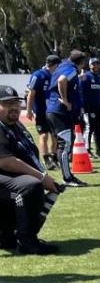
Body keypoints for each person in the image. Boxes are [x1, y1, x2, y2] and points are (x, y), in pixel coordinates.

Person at [0, 85, 61, 255]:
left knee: (34, 187)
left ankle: (7, 236)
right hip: (5, 177)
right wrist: (41, 177)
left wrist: (44, 176)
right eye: (6, 104)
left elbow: (28, 153)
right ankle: (26, 240)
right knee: (29, 187)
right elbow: (6, 162)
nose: (13, 107)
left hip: (7, 181)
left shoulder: (16, 125)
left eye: (15, 103)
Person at [45, 49, 87, 187]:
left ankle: (68, 175)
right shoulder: (72, 69)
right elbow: (62, 80)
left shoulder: (63, 65)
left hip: (55, 110)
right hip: (59, 111)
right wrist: (65, 100)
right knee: (65, 144)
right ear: (82, 62)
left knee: (64, 144)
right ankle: (67, 178)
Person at [26, 53, 60, 170]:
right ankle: (46, 161)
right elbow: (31, 93)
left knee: (55, 136)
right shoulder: (38, 75)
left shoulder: (56, 76)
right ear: (53, 65)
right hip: (41, 111)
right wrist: (29, 110)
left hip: (53, 111)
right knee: (44, 135)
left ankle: (54, 158)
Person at [81, 58, 100, 156]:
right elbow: (81, 92)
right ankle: (87, 149)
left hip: (99, 107)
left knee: (98, 129)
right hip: (89, 107)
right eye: (94, 64)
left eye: (97, 64)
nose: (96, 66)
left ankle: (98, 150)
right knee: (90, 128)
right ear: (90, 65)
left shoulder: (99, 78)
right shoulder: (86, 76)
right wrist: (83, 106)